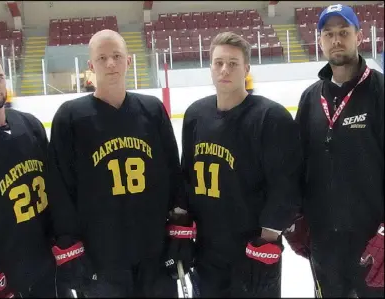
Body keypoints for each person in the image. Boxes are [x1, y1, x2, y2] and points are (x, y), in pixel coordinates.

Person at [47, 29, 191, 297]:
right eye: (102, 58)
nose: (110, 63)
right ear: (91, 66)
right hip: (101, 257)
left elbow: (173, 172)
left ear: (129, 61)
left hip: (154, 251)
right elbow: (60, 189)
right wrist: (70, 245)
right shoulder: (70, 118)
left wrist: (179, 231)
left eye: (116, 56)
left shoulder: (152, 109)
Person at [180, 31, 303, 297]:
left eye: (233, 63)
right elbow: (186, 177)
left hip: (252, 248)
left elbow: (286, 184)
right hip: (206, 251)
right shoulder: (194, 115)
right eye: (218, 62)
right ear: (210, 67)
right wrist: (183, 230)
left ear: (246, 68)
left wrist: (267, 241)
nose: (225, 69)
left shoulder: (270, 117)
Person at [284, 4, 384, 297]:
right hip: (325, 244)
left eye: (344, 32)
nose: (336, 40)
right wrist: (297, 218)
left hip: (373, 244)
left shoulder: (380, 92)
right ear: (319, 41)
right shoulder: (310, 97)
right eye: (328, 34)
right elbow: (297, 165)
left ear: (359, 36)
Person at [0, 49, 73, 298]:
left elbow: (53, 186)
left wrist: (65, 236)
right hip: (3, 272)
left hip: (47, 265)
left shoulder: (30, 125)